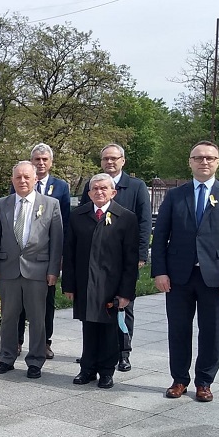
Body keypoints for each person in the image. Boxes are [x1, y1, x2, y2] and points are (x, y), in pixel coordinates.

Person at [152, 141, 219, 403]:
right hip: (178, 276)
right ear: (190, 162)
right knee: (179, 329)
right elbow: (160, 236)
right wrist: (159, 271)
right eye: (198, 158)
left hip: (215, 278)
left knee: (211, 330)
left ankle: (204, 381)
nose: (204, 162)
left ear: (218, 162)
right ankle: (179, 379)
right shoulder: (175, 196)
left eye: (209, 158)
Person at [80, 143, 152, 372]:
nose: (109, 162)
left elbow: (144, 222)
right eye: (105, 159)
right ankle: (94, 353)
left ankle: (123, 352)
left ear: (123, 160)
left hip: (123, 259)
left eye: (114, 158)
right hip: (95, 260)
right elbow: (84, 218)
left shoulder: (136, 186)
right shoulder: (91, 185)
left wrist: (141, 254)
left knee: (123, 306)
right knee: (95, 307)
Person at [63, 173, 139, 389]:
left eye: (104, 188)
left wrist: (126, 292)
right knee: (88, 326)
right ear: (89, 193)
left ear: (113, 192)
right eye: (95, 188)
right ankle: (87, 369)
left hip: (111, 285)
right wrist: (69, 284)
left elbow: (131, 259)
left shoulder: (125, 217)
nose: (99, 192)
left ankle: (106, 371)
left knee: (108, 329)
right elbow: (69, 252)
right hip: (85, 282)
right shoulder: (78, 215)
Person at [0, 161, 63, 379]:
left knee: (37, 317)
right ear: (12, 180)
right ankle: (6, 357)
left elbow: (57, 241)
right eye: (18, 178)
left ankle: (35, 360)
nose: (22, 181)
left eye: (26, 177)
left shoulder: (50, 204)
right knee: (8, 317)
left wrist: (53, 270)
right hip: (8, 269)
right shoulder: (2, 203)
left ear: (34, 179)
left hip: (38, 270)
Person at [13, 143, 71, 359]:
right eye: (37, 159)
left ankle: (45, 342)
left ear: (51, 162)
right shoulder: (20, 183)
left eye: (44, 159)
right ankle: (17, 341)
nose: (41, 163)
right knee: (18, 303)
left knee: (46, 303)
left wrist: (60, 257)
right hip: (22, 256)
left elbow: (63, 224)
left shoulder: (61, 187)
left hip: (46, 257)